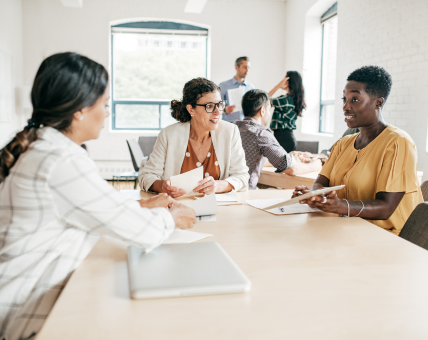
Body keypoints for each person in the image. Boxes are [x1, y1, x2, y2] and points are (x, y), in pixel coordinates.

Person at [0, 52, 196, 340]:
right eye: (104, 104)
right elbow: (143, 232)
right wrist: (171, 216)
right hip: (22, 313)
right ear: (79, 109)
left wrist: (141, 203)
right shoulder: (61, 160)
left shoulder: (45, 148)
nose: (108, 113)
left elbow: (88, 205)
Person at [292, 65, 423, 235]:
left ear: (378, 102)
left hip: (388, 238)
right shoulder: (343, 144)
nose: (345, 107)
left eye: (354, 99)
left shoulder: (398, 142)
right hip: (346, 230)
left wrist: (341, 206)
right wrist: (314, 196)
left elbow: (386, 207)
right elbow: (321, 183)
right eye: (344, 99)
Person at [139, 78, 249, 197]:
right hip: (177, 208)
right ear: (191, 109)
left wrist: (217, 185)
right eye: (209, 106)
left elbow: (242, 176)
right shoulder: (169, 135)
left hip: (218, 209)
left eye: (219, 104)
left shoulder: (230, 132)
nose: (218, 112)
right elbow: (146, 176)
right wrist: (163, 186)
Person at [235, 89, 322, 190]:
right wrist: (315, 166)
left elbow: (249, 158)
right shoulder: (261, 133)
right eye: (269, 109)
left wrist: (286, 157)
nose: (269, 114)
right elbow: (292, 169)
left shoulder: (233, 127)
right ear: (262, 110)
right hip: (244, 193)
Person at [268, 71, 305, 152]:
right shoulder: (294, 99)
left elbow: (263, 101)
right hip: (288, 138)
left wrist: (277, 86)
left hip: (282, 138)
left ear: (287, 81)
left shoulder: (285, 100)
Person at [219, 56, 255, 123]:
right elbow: (216, 107)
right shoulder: (223, 86)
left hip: (246, 125)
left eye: (248, 68)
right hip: (228, 124)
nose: (247, 70)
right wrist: (225, 110)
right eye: (245, 67)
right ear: (236, 67)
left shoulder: (251, 88)